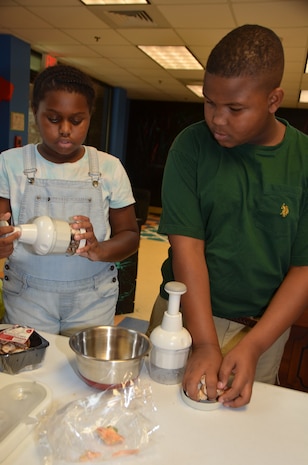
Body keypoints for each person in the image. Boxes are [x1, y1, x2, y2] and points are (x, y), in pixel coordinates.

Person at [146, 24, 308, 408]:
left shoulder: (303, 160)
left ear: (273, 100)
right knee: (158, 417)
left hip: (262, 329)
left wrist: (253, 346)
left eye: (235, 108)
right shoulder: (191, 147)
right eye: (209, 102)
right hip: (182, 318)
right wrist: (203, 342)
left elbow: (304, 269)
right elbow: (188, 251)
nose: (217, 119)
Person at [0, 64, 139, 336]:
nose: (65, 129)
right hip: (28, 296)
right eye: (53, 118)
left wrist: (100, 249)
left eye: (77, 121)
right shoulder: (10, 163)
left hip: (92, 297)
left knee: (84, 371)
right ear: (35, 111)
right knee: (30, 369)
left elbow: (130, 235)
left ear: (90, 116)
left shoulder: (109, 168)